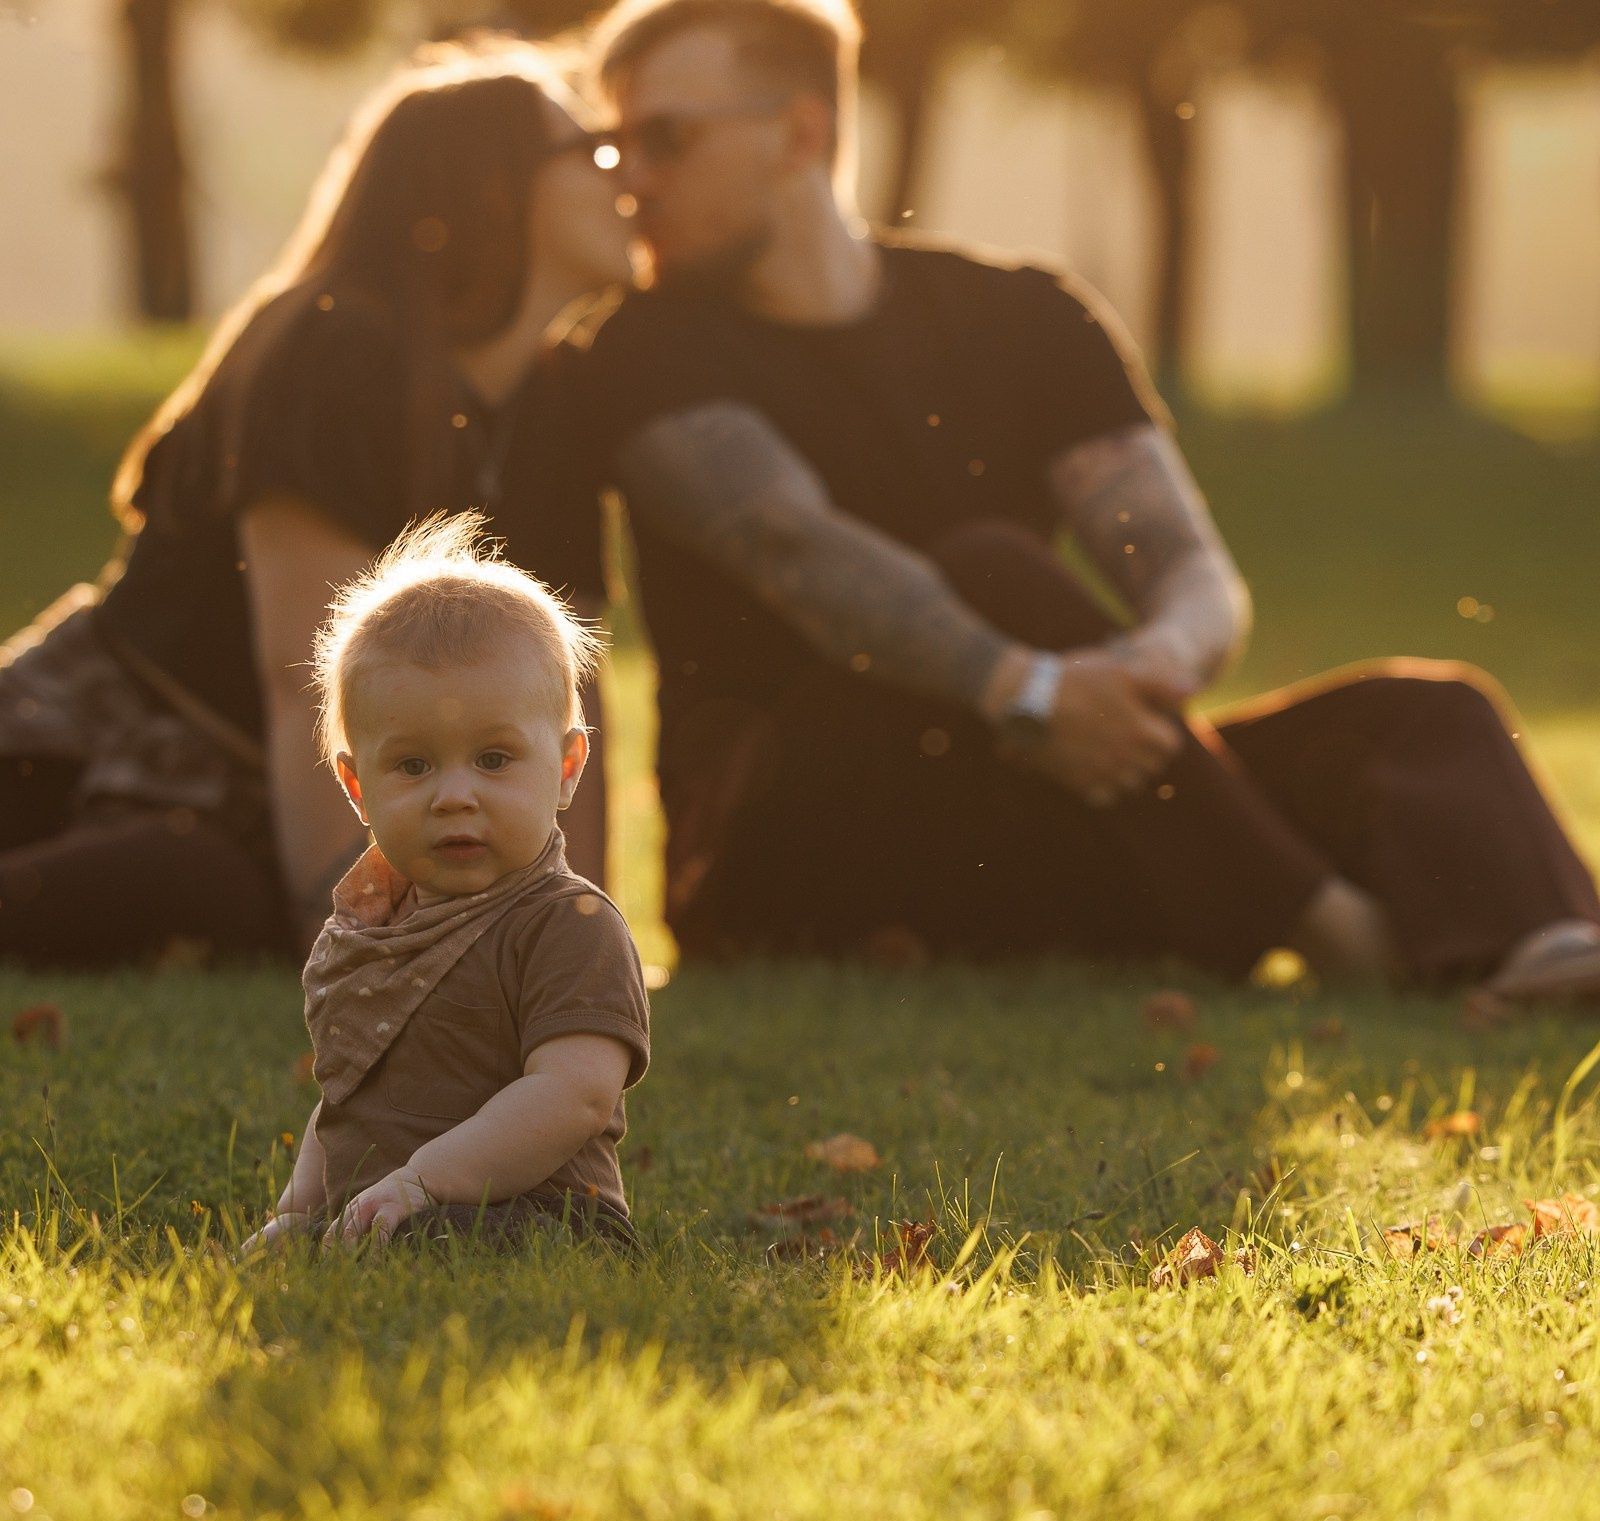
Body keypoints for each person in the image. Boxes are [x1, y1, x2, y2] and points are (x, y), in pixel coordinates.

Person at [564, 0, 1600, 998]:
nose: (630, 180)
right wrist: (1031, 690)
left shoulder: (1020, 315)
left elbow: (1185, 568)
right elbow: (794, 548)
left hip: (1033, 815)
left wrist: (1153, 665)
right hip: (788, 858)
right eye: (613, 148)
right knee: (993, 567)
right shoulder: (642, 352)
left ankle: (1552, 954)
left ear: (799, 131)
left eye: (664, 138)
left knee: (1426, 715)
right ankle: (1335, 931)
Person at [0, 39, 630, 967]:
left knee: (218, 886)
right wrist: (365, 954)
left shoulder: (555, 402)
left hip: (263, 803)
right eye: (593, 151)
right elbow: (303, 679)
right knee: (204, 886)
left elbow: (575, 695)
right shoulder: (336, 358)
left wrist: (584, 938)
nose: (627, 178)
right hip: (83, 753)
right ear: (491, 187)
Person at [245, 516, 649, 1252]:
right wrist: (301, 1210)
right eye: (414, 765)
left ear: (564, 769)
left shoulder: (569, 924)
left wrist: (422, 1182)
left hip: (545, 1214)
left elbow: (576, 1095)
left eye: (494, 760)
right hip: (396, 1206)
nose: (454, 795)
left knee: (430, 1242)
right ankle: (336, 1233)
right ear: (357, 785)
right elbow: (348, 1092)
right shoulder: (368, 927)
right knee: (355, 1244)